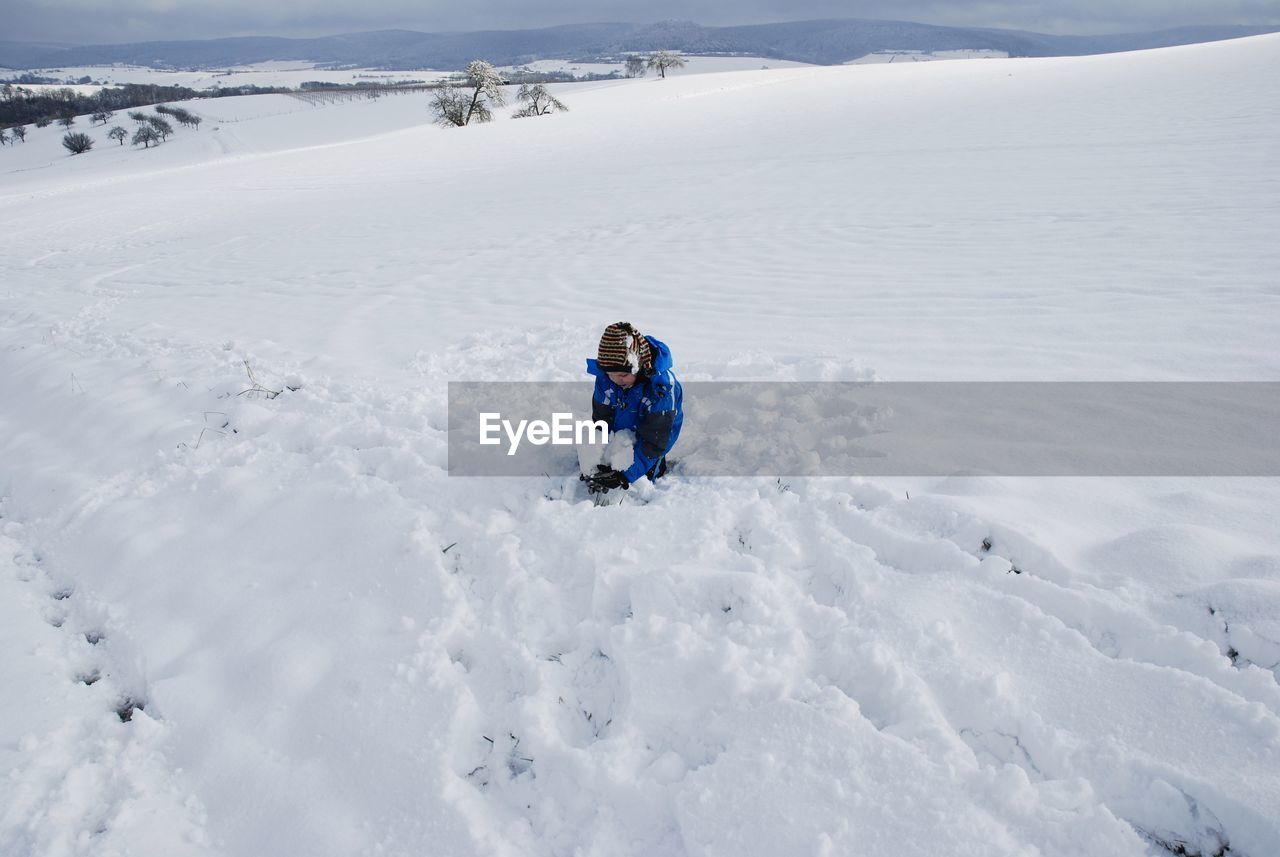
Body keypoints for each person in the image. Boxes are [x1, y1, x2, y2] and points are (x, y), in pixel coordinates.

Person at [584, 322, 683, 493]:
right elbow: (601, 422)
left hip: (653, 438)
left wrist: (624, 475)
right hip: (621, 434)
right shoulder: (606, 379)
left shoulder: (662, 389)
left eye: (623, 375)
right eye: (611, 374)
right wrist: (594, 461)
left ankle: (652, 471)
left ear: (639, 365)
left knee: (644, 478)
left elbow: (655, 441)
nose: (616, 380)